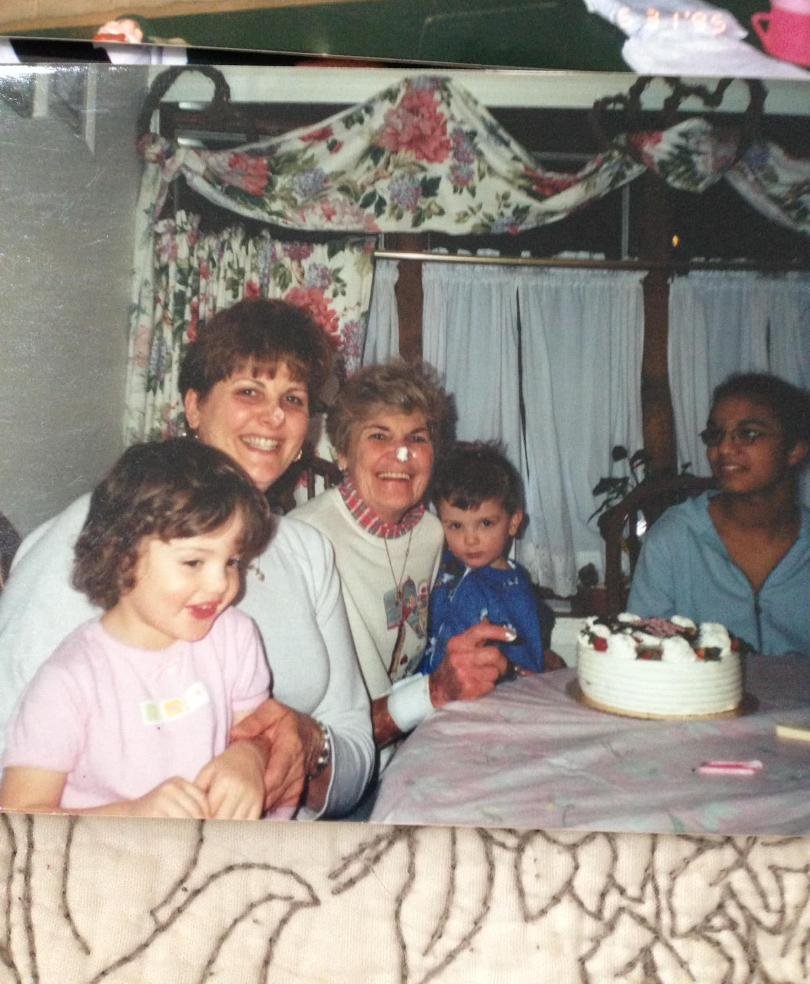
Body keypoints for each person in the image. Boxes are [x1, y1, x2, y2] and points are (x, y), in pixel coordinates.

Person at [0, 298, 374, 818]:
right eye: (249, 391)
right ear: (194, 406)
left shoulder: (308, 550)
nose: (274, 416)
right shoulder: (103, 533)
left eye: (293, 398)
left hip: (272, 845)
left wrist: (305, 746)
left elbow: (356, 748)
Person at [1, 439, 280, 820]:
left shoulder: (234, 637)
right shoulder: (70, 680)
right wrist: (131, 816)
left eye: (231, 562)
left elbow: (260, 729)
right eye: (194, 562)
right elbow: (17, 819)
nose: (220, 584)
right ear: (122, 556)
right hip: (104, 855)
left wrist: (250, 755)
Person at [291, 361, 514, 758]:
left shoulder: (432, 532)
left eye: (416, 438)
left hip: (410, 745)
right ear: (342, 453)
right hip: (339, 765)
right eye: (379, 436)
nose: (401, 454)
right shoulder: (303, 541)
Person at [628, 372, 810, 654]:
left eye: (749, 433)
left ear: (795, 449)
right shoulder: (674, 539)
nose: (723, 448)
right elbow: (644, 653)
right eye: (715, 435)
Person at [419, 441, 551, 676]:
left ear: (513, 522)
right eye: (456, 526)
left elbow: (525, 666)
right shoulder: (440, 565)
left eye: (486, 523)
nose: (470, 539)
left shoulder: (515, 591)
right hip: (425, 687)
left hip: (485, 694)